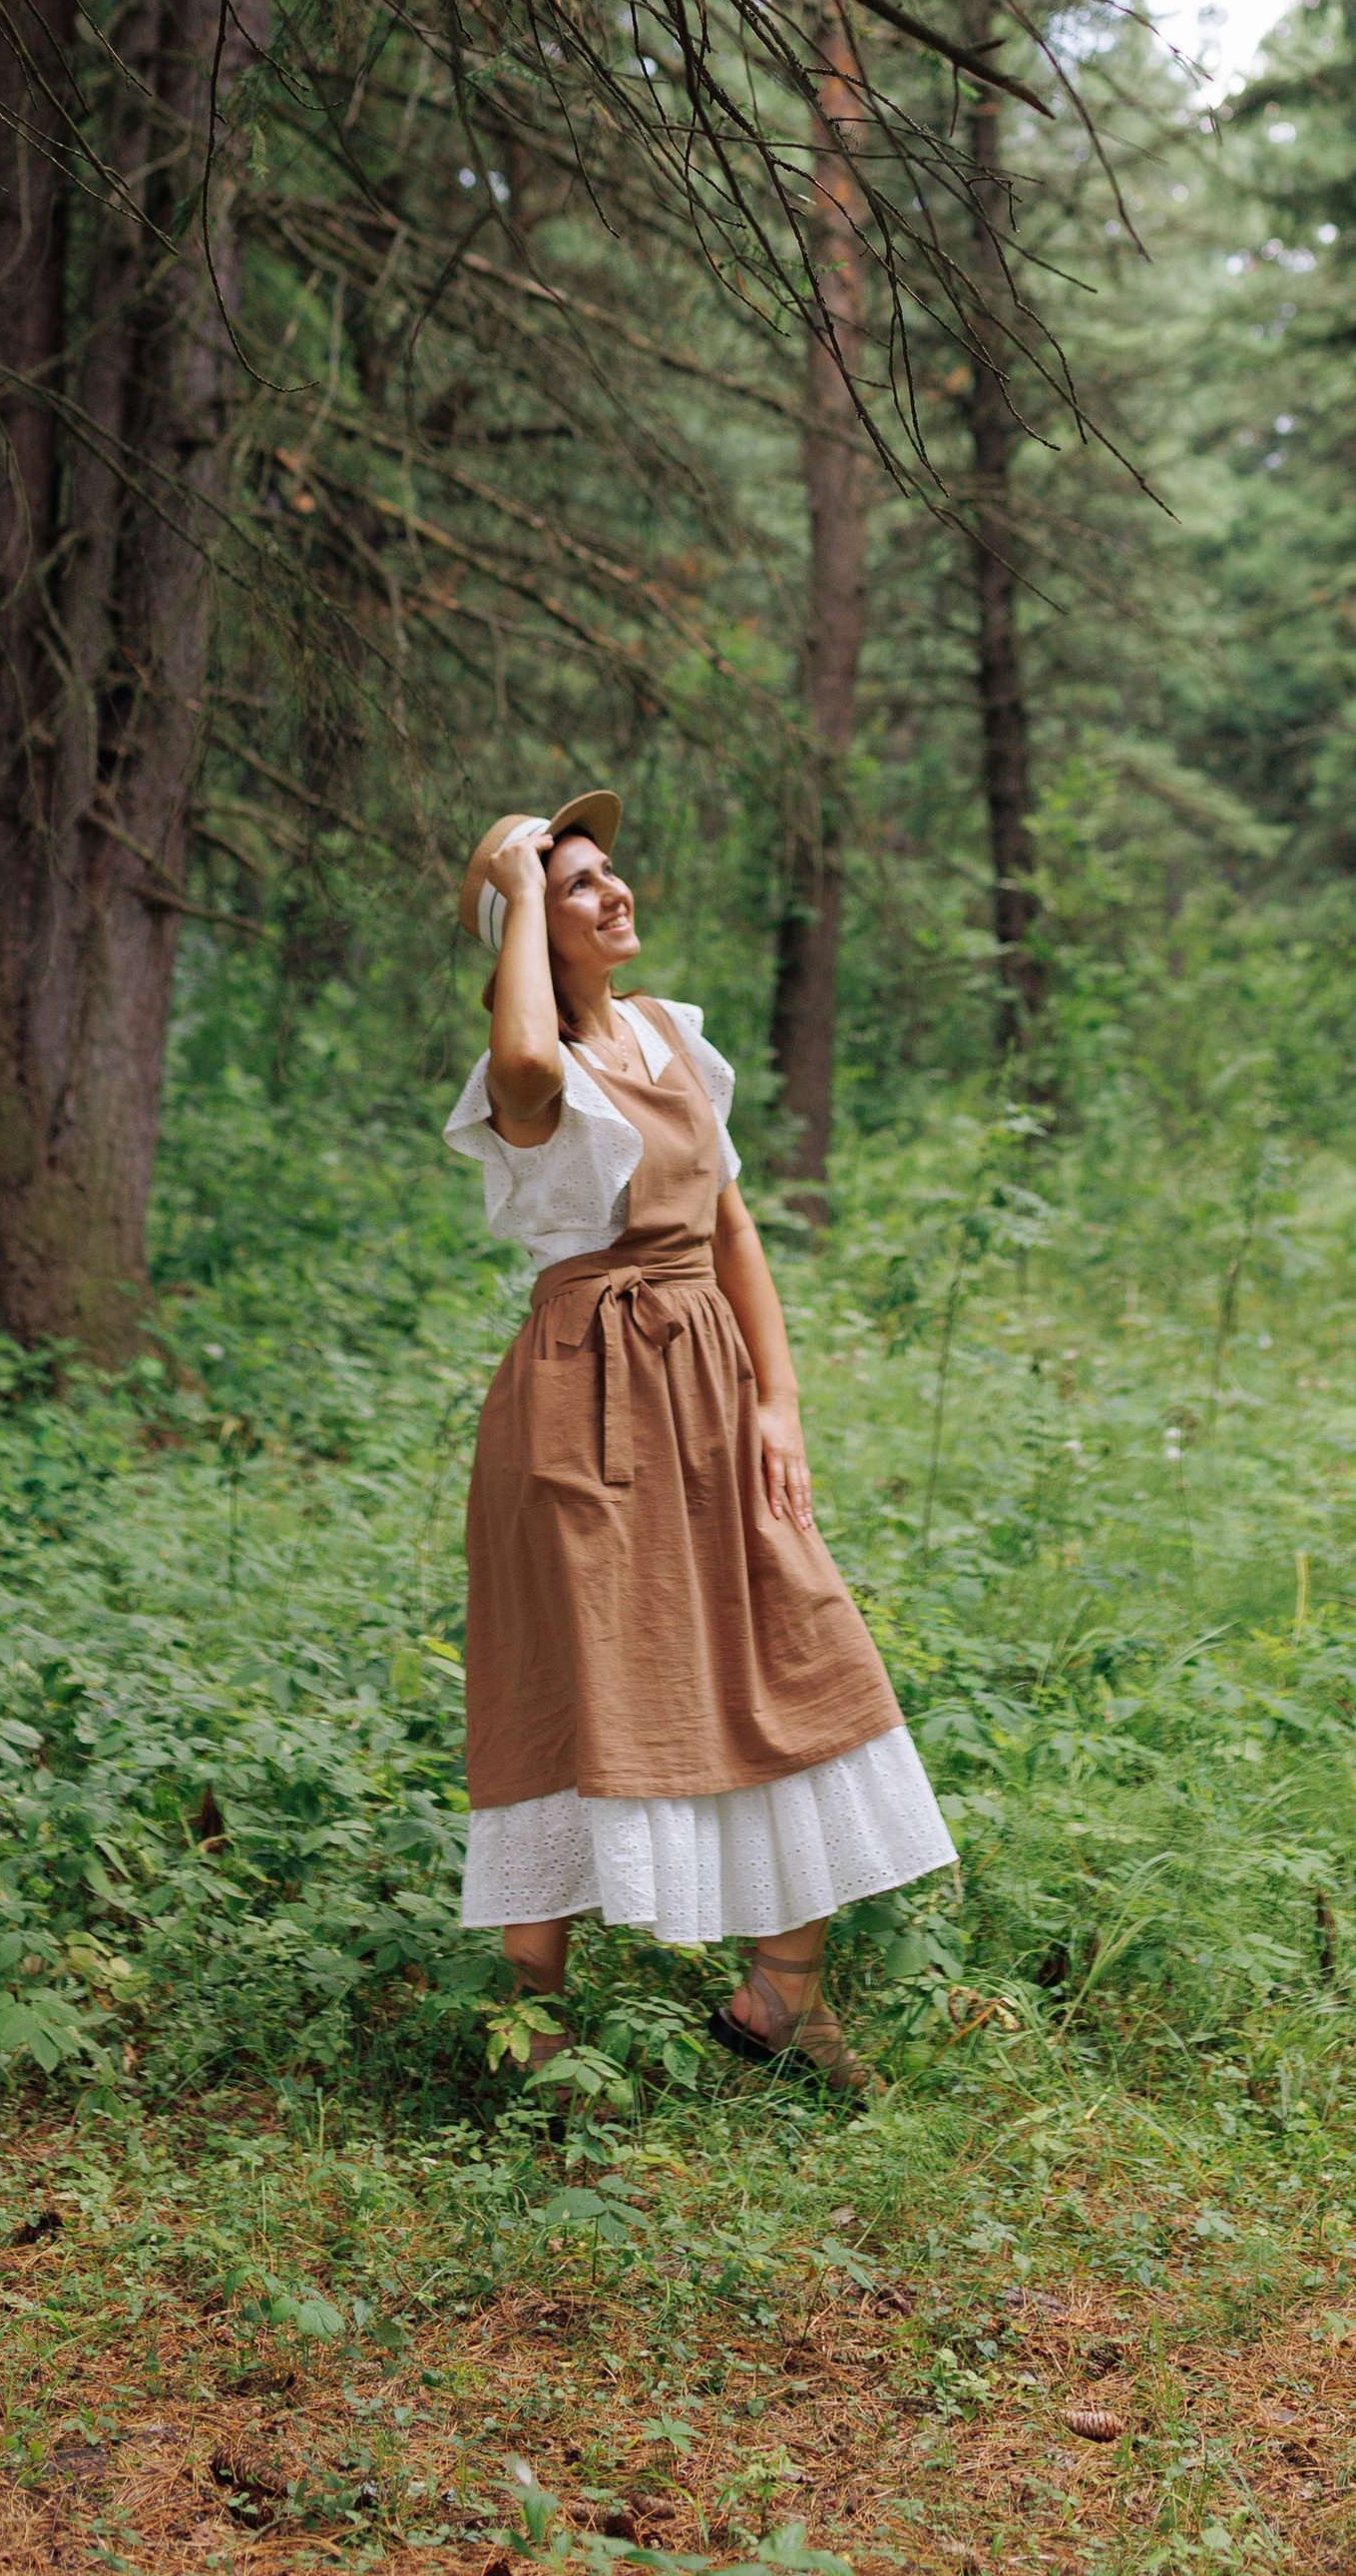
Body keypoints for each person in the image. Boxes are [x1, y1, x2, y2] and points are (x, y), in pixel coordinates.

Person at [442, 792, 955, 2094]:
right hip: (583, 1401)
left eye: (614, 874)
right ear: (528, 932)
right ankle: (533, 2030)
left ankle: (782, 1993)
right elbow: (523, 1068)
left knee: (793, 1647)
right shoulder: (528, 1068)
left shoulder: (674, 1036)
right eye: (577, 887)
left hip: (709, 1391)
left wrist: (778, 1404)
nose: (616, 895)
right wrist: (507, 881)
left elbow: (733, 1231)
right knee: (572, 1680)